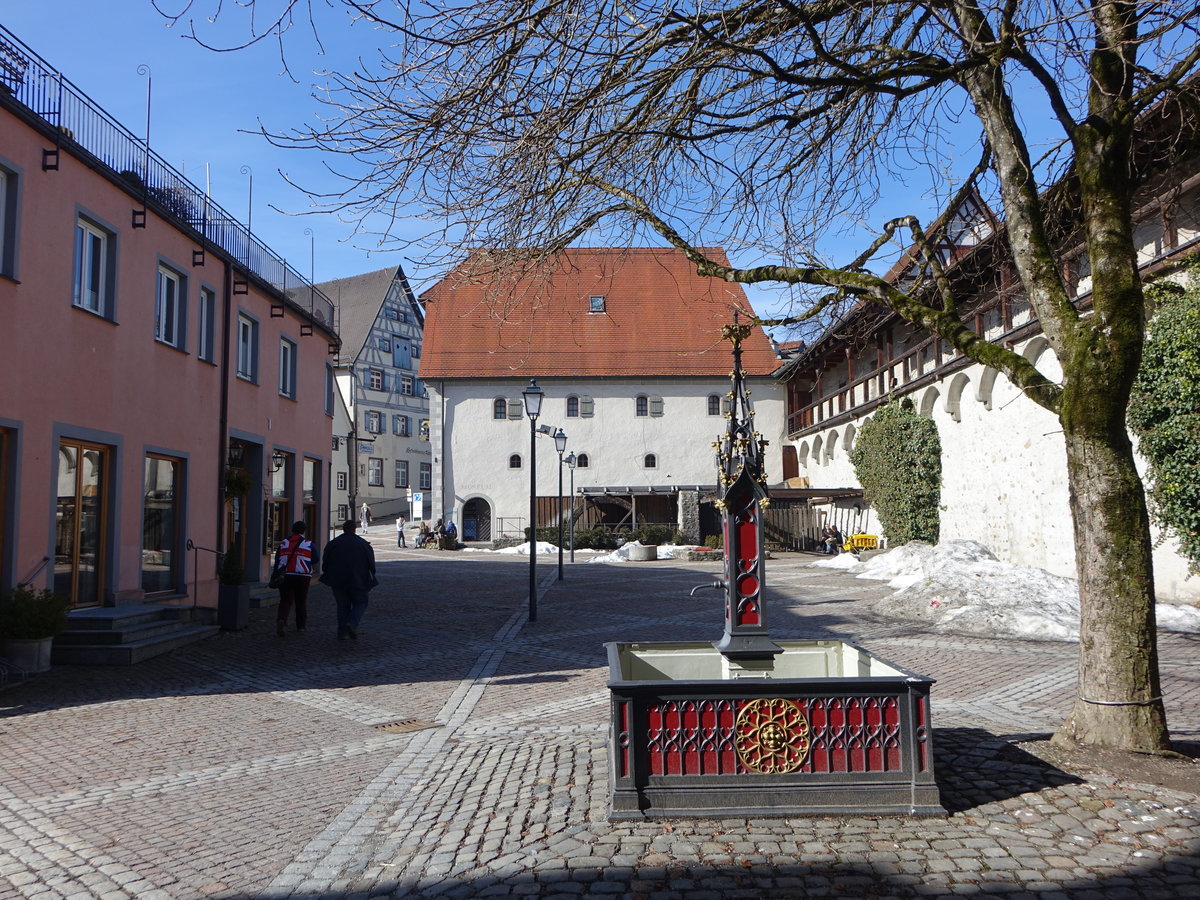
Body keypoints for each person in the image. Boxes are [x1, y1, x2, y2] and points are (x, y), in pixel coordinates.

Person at [320, 519, 377, 641]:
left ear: (343, 529)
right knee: (361, 602)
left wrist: (327, 574)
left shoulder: (334, 543)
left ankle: (342, 633)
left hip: (338, 580)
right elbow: (371, 563)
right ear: (354, 529)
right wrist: (371, 575)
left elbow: (325, 562)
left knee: (342, 606)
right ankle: (352, 622)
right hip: (358, 580)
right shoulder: (363, 544)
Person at [274, 521, 318, 637]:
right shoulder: (308, 543)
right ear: (303, 531)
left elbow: (278, 559)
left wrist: (275, 574)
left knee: (285, 600)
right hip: (303, 576)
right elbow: (316, 558)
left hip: (286, 575)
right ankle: (301, 626)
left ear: (292, 530)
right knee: (301, 601)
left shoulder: (283, 543)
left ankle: (281, 619)